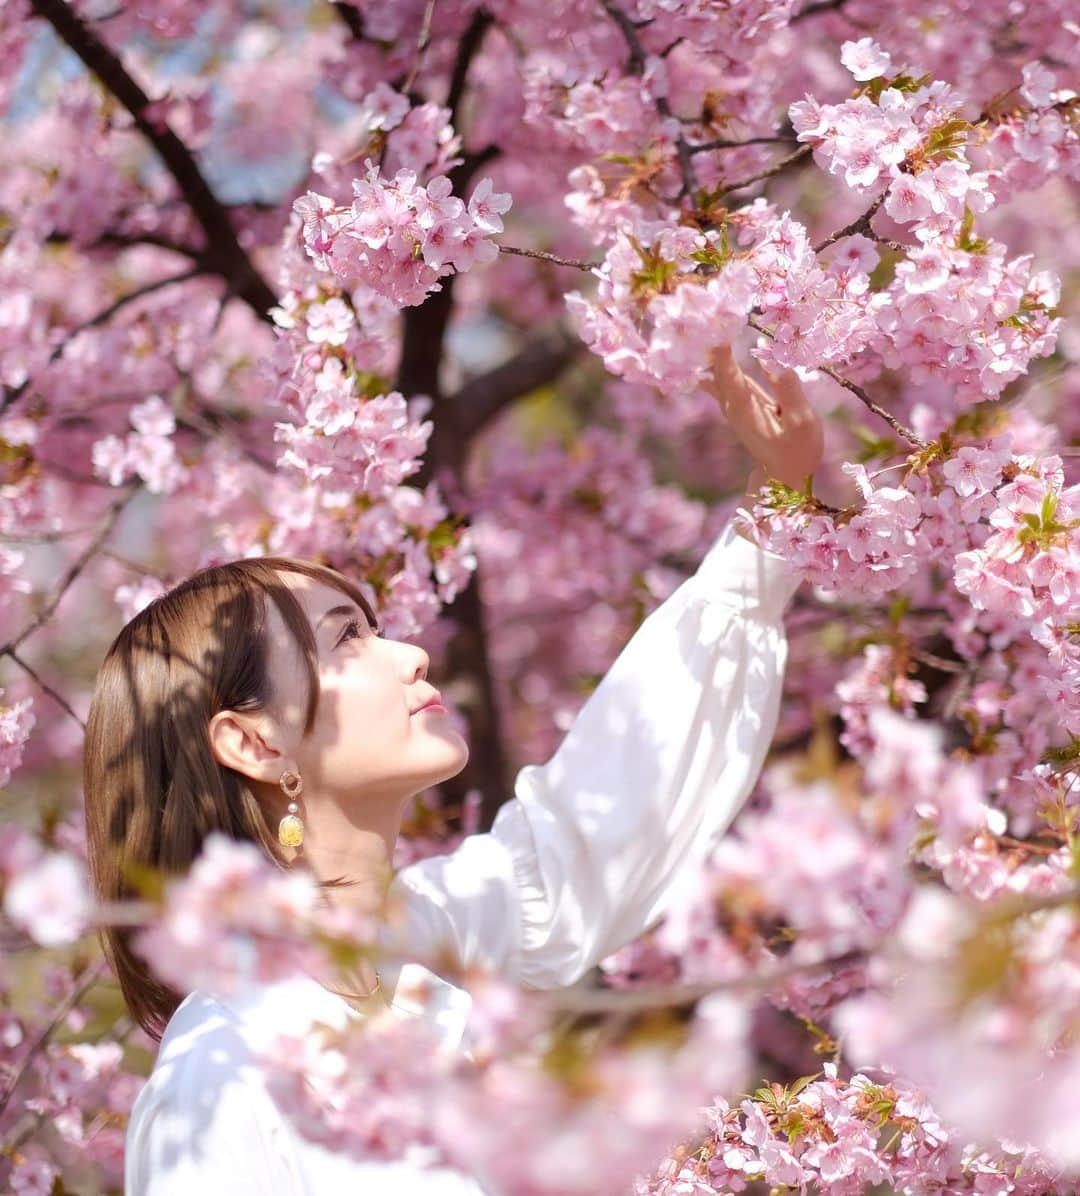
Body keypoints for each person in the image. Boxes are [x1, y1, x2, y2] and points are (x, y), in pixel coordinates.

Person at [81, 347, 824, 1194]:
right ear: (252, 743)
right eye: (343, 639)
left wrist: (777, 505)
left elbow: (591, 827)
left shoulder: (412, 941)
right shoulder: (220, 1079)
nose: (409, 651)